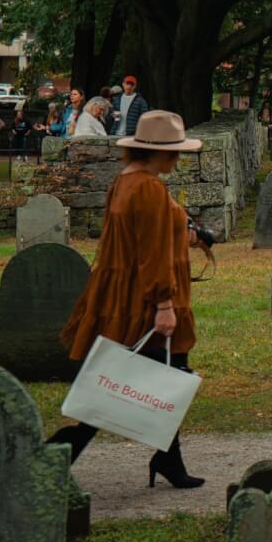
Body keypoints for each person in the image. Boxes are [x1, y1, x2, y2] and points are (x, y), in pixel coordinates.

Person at [45, 111, 206, 488]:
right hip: (144, 298)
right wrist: (164, 305)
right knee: (123, 382)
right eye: (172, 152)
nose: (177, 159)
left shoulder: (125, 181)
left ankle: (169, 460)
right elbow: (150, 251)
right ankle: (62, 450)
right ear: (152, 153)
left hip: (123, 293)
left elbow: (146, 233)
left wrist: (186, 230)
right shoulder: (148, 188)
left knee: (161, 373)